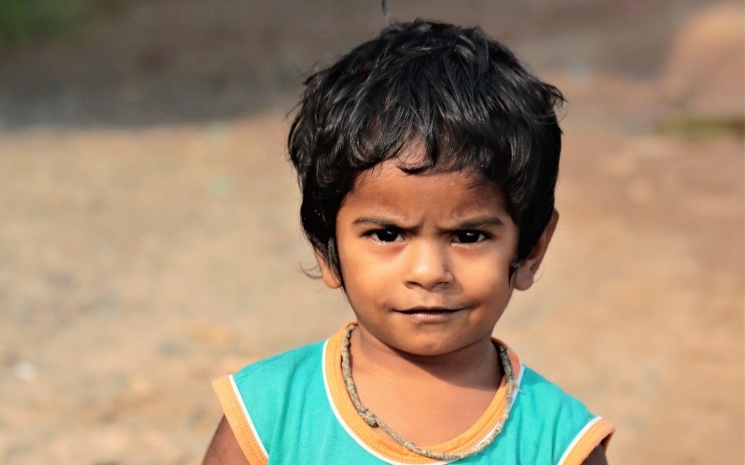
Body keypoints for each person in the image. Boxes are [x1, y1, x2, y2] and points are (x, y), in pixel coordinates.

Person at [202, 18, 614, 465]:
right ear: (327, 249)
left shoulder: (557, 442)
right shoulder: (269, 416)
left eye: (469, 236)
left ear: (531, 249)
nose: (428, 272)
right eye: (387, 234)